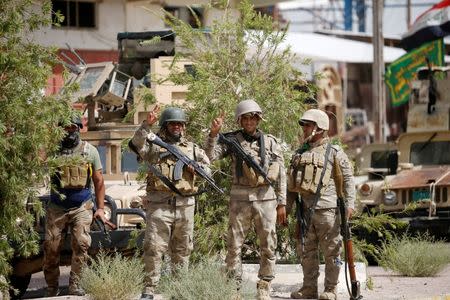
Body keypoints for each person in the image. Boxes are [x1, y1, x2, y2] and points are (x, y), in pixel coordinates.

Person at [205, 99, 287, 300]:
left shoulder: (270, 141)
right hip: (240, 199)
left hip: (266, 199)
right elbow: (209, 156)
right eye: (245, 118)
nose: (249, 121)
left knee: (268, 243)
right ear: (240, 120)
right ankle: (234, 287)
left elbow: (281, 173)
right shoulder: (231, 141)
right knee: (234, 244)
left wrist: (282, 202)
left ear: (258, 119)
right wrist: (213, 134)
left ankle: (264, 284)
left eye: (253, 117)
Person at [129, 105, 210, 300]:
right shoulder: (153, 146)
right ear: (165, 126)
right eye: (172, 123)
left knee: (183, 249)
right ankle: (149, 288)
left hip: (185, 206)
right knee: (154, 247)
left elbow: (208, 171)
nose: (176, 127)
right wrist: (147, 124)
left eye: (180, 124)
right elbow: (136, 144)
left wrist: (196, 169)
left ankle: (180, 288)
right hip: (159, 205)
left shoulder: (192, 148)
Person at [286, 108, 355, 300]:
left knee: (332, 252)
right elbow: (290, 184)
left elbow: (348, 180)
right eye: (304, 125)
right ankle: (309, 288)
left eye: (308, 125)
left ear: (320, 128)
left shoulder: (334, 152)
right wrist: (285, 207)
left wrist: (350, 205)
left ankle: (331, 289)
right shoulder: (299, 153)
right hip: (304, 212)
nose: (305, 129)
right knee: (306, 252)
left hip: (328, 211)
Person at [43, 116, 106, 296]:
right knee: (51, 246)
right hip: (56, 206)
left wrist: (100, 208)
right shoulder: (52, 152)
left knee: (81, 244)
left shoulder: (90, 151)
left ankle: (75, 284)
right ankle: (51, 287)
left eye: (73, 127)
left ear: (79, 128)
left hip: (81, 205)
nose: (69, 131)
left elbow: (99, 181)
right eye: (65, 128)